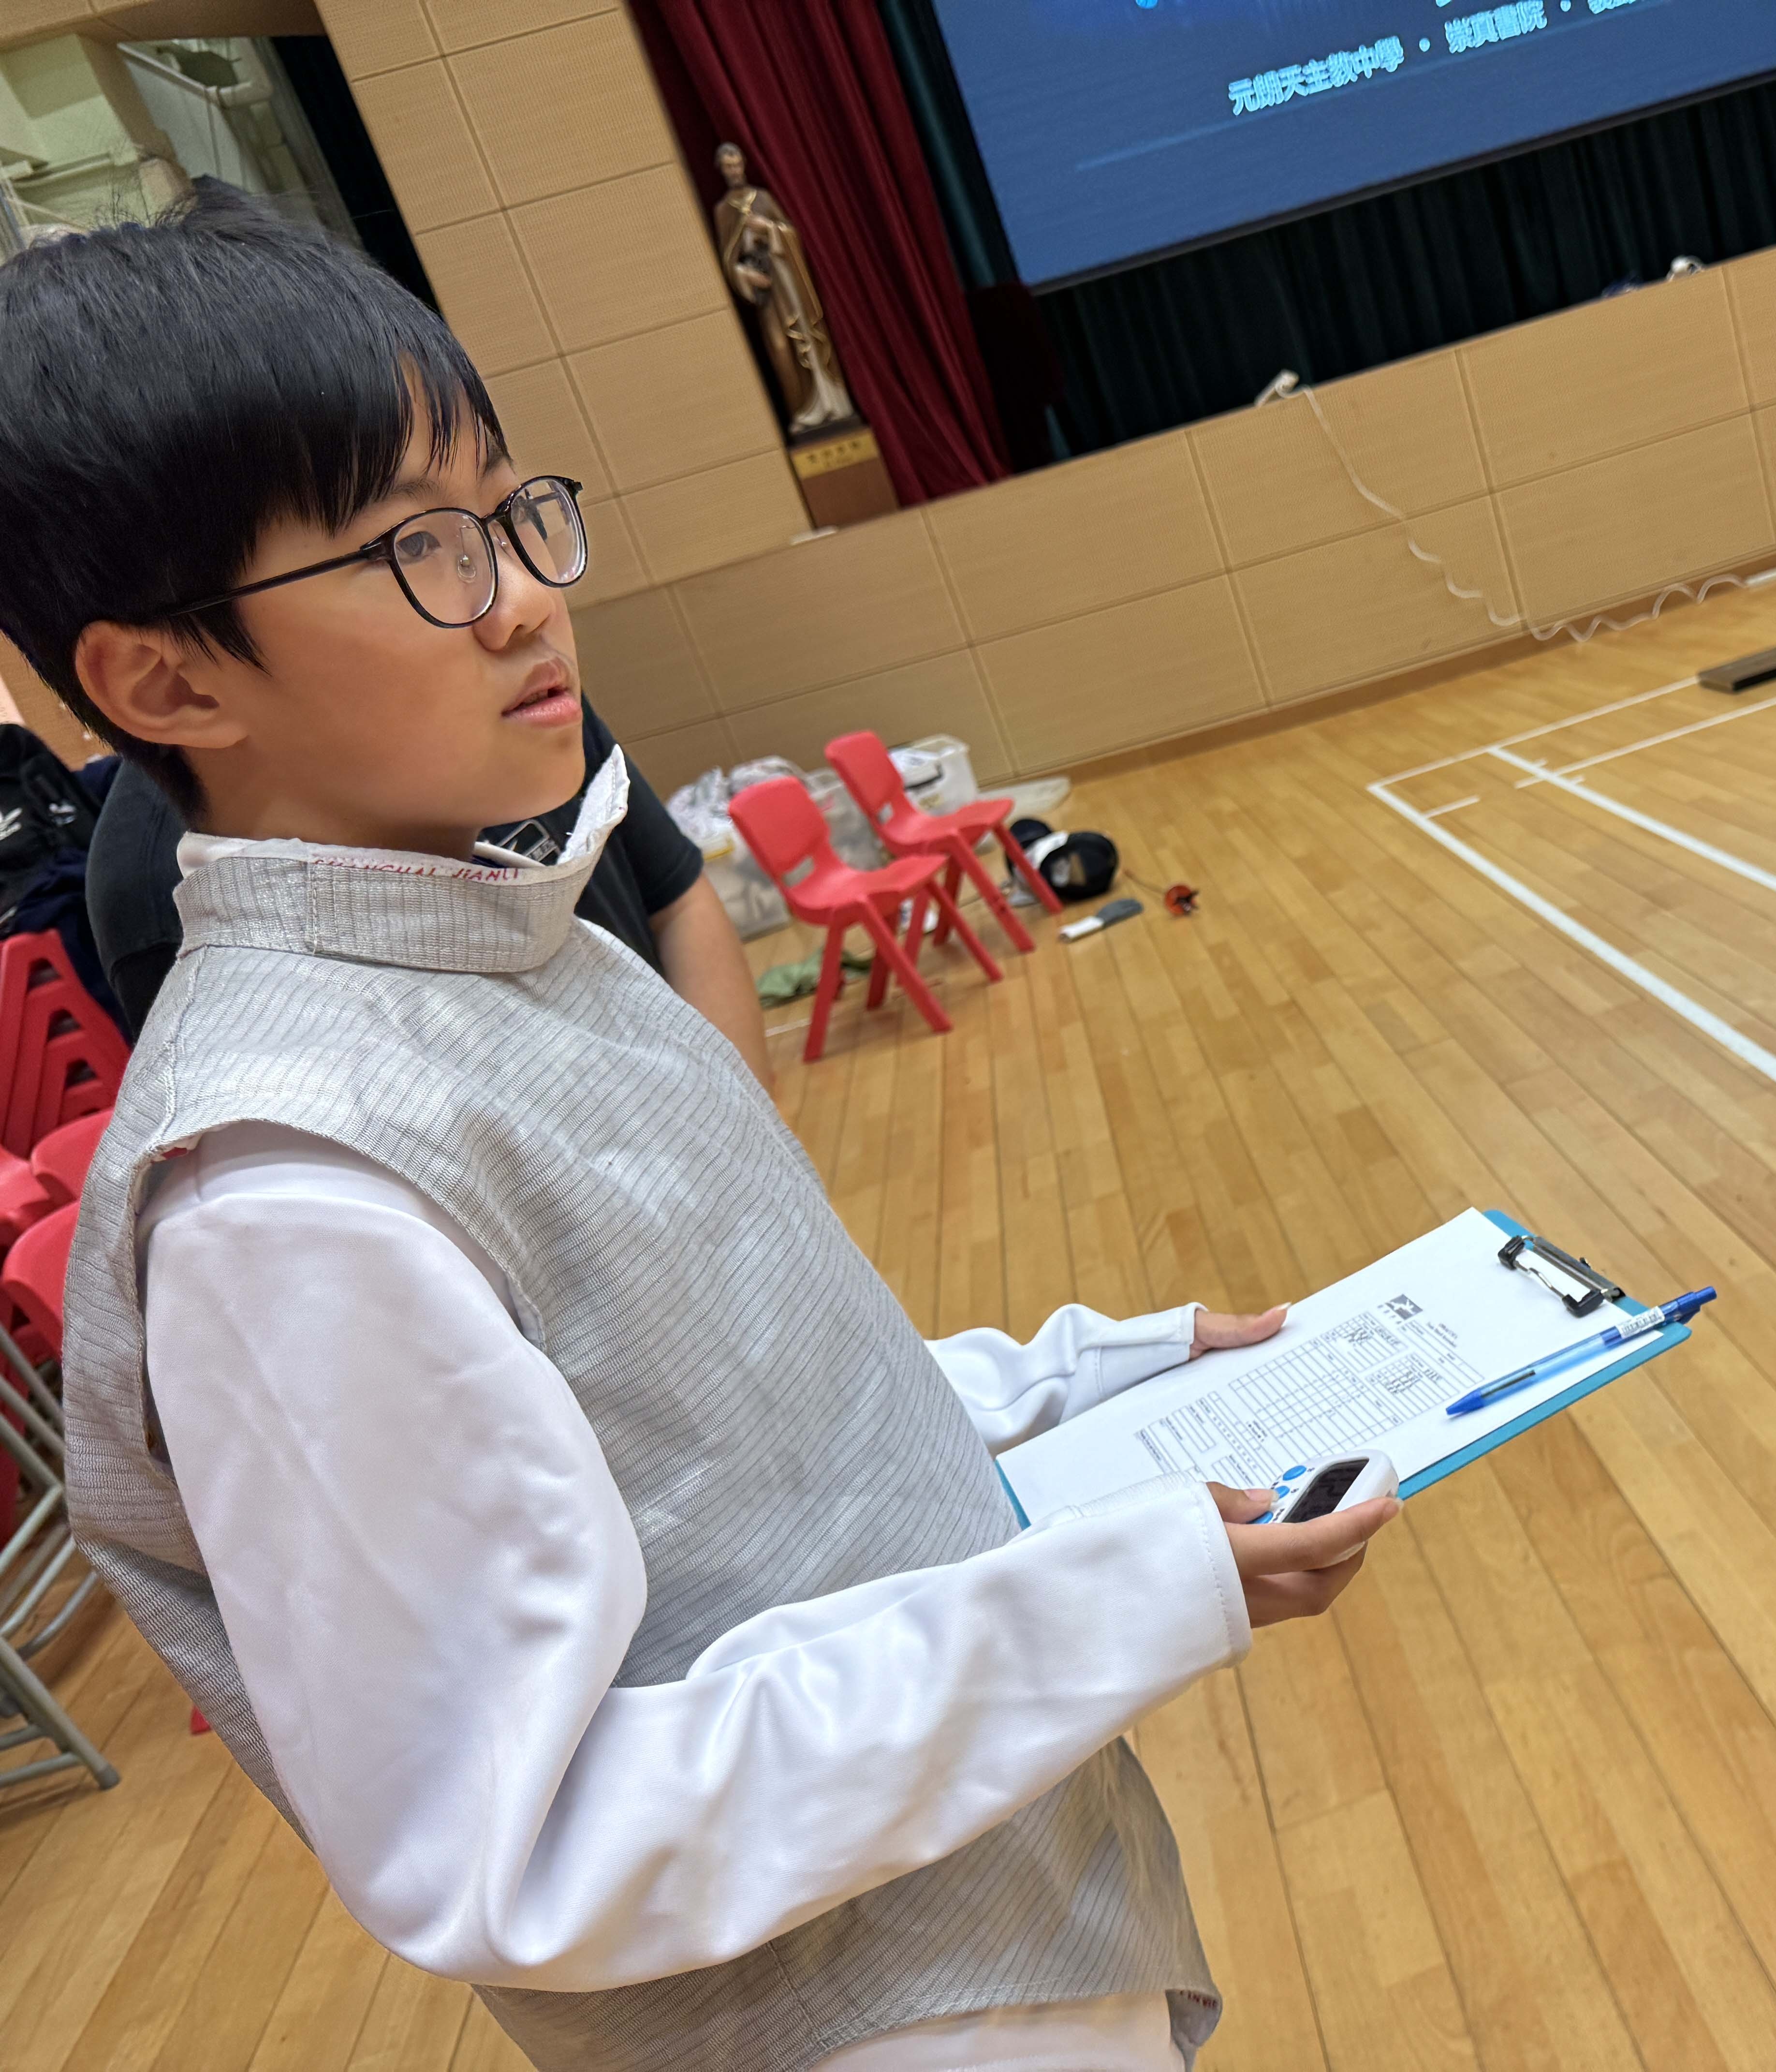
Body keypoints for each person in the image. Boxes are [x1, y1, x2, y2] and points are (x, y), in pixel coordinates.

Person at [3, 182, 1399, 2072]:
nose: (524, 595)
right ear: (164, 677)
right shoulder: (284, 1197)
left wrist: (1105, 1379)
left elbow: (741, 1427)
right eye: (420, 549)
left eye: (515, 513)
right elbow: (530, 1842)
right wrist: (1126, 1594)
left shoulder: (524, 946)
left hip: (1000, 1924)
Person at [85, 697, 770, 1079]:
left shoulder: (529, 688)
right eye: (409, 546)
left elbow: (676, 896)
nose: (523, 599)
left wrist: (743, 1147)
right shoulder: (165, 898)